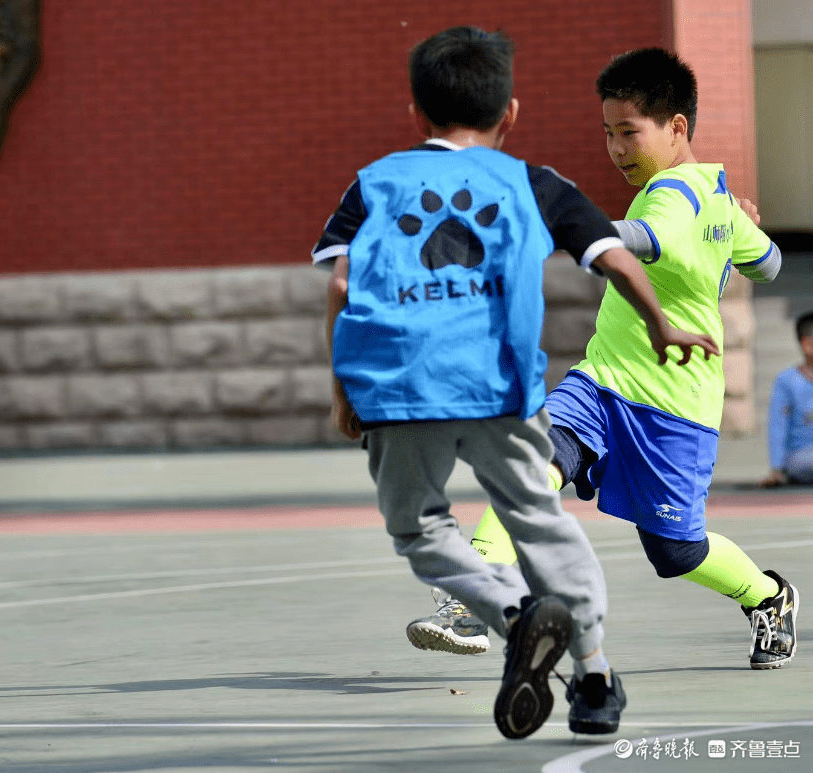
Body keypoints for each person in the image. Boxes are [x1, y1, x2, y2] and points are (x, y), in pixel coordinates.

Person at [313, 27, 719, 739]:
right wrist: (660, 323)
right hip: (500, 386)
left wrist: (344, 389)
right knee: (541, 522)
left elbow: (341, 282)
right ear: (511, 114)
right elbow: (614, 258)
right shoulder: (533, 181)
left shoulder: (375, 182)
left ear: (416, 115)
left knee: (421, 527)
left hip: (402, 390)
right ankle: (594, 679)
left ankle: (510, 614)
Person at [406, 47, 798, 675]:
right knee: (535, 464)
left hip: (674, 405)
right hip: (603, 380)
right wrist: (742, 235)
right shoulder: (718, 196)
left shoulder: (672, 195)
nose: (617, 148)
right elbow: (772, 263)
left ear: (677, 127)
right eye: (608, 133)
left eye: (629, 132)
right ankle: (469, 598)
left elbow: (639, 238)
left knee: (676, 552)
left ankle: (769, 596)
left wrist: (559, 227)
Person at [760, 311, 813, 486]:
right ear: (807, 344)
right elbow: (778, 425)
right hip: (801, 456)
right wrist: (776, 468)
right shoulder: (787, 380)